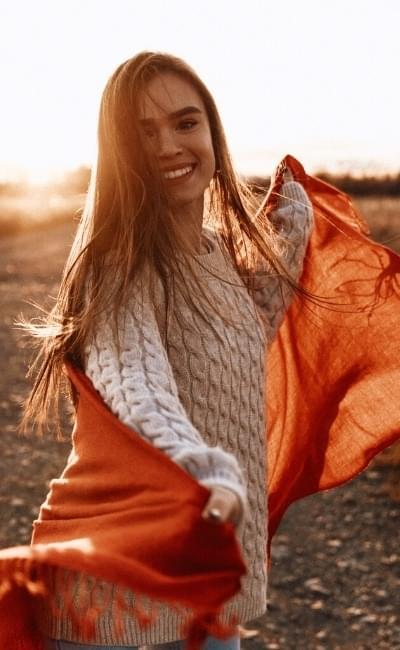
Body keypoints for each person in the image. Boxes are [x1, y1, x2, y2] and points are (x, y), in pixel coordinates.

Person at [21, 52, 313, 649]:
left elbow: (235, 345)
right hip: (113, 597)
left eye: (185, 123)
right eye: (143, 133)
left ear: (212, 131)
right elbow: (138, 385)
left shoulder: (216, 257)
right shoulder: (116, 265)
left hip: (201, 582)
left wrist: (289, 239)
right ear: (119, 151)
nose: (169, 146)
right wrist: (202, 468)